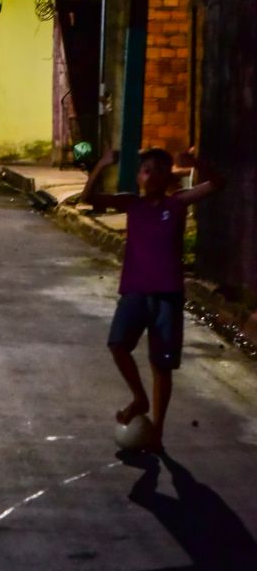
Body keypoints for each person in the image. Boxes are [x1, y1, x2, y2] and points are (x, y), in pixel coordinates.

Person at [83, 146, 224, 450]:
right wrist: (102, 165)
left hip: (167, 295)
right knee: (118, 345)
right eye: (146, 169)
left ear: (169, 177)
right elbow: (89, 198)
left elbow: (217, 184)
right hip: (134, 290)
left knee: (161, 365)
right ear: (139, 176)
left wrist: (196, 161)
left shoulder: (176, 204)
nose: (152, 175)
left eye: (160, 169)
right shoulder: (132, 204)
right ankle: (139, 397)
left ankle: (157, 431)